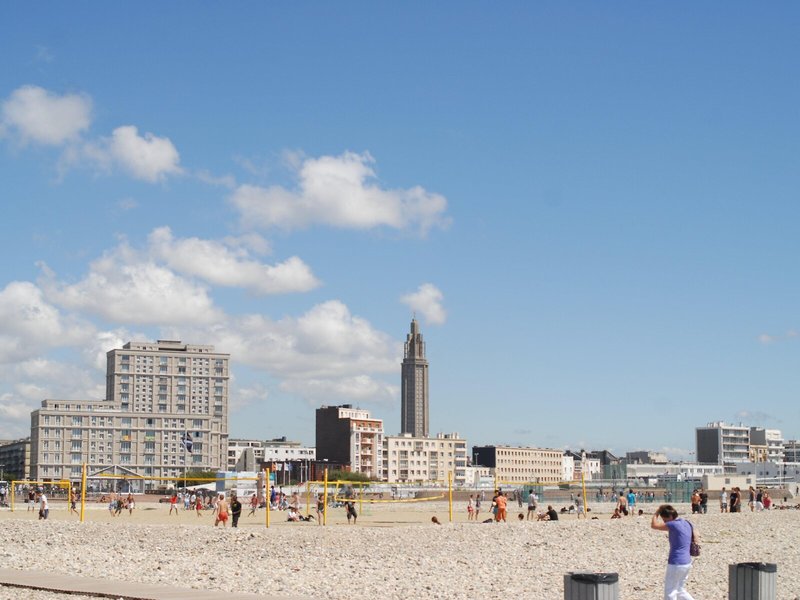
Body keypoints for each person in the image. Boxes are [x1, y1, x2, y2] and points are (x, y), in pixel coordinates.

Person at [651, 504, 696, 600]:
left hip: (676, 562)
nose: (664, 522)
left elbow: (654, 525)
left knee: (670, 591)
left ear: (670, 517)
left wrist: (657, 512)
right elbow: (696, 536)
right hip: (687, 561)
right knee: (680, 590)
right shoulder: (687, 523)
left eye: (665, 519)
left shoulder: (673, 524)